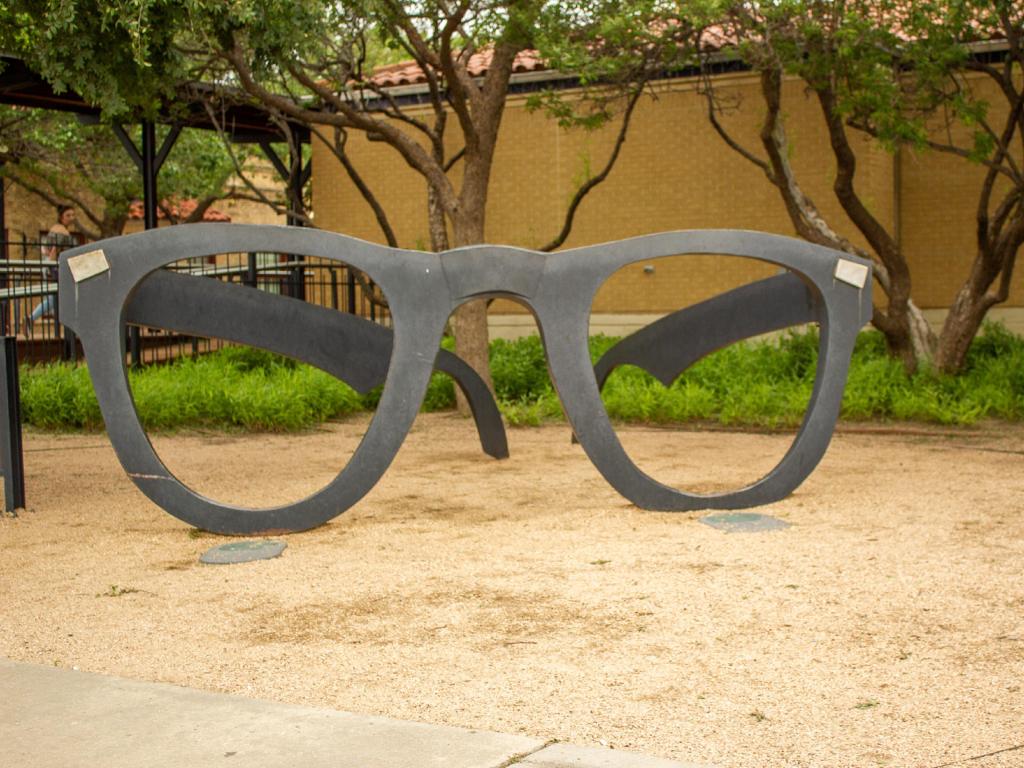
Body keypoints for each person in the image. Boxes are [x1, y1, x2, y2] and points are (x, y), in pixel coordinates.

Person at [26, 205, 77, 332]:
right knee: (55, 298)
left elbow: (44, 249)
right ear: (61, 217)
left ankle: (31, 319)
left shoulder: (57, 229)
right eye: (68, 215)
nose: (71, 218)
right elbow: (52, 249)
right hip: (57, 269)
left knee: (55, 299)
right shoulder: (60, 231)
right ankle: (31, 319)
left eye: (72, 215)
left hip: (57, 267)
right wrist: (52, 266)